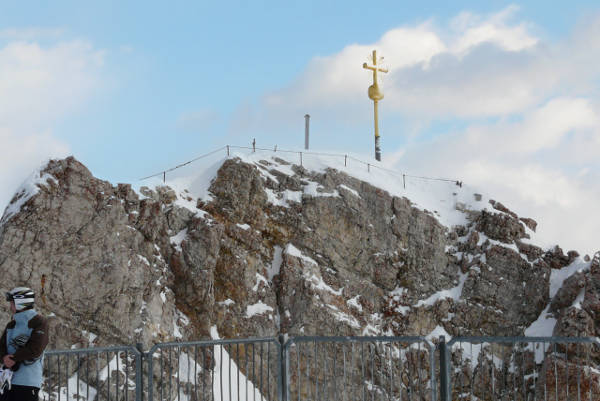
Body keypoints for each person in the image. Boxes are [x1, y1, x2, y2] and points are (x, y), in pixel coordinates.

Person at [0, 287, 49, 401]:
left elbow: (36, 348)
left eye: (12, 302)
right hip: (7, 381)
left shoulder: (39, 321)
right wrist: (4, 358)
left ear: (20, 303)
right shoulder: (11, 325)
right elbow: (1, 346)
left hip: (28, 382)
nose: (10, 306)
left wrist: (14, 358)